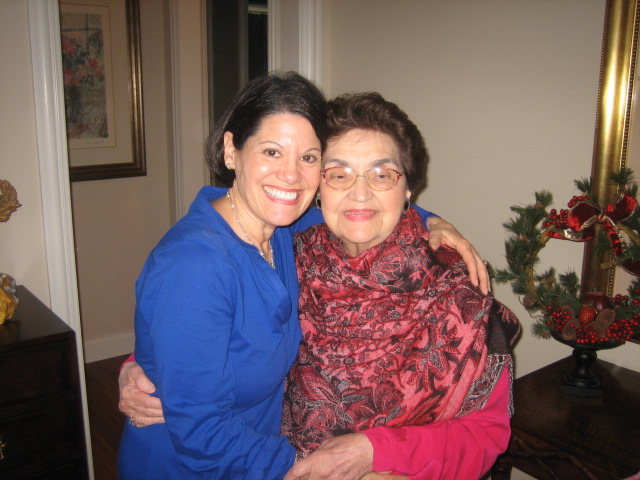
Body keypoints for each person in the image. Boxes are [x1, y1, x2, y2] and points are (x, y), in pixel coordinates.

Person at [117, 72, 491, 480]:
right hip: (194, 467)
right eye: (272, 152)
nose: (291, 175)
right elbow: (202, 428)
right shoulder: (202, 264)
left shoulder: (286, 233)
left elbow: (361, 208)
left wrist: (433, 220)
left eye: (308, 158)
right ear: (230, 150)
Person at [280, 92, 520, 480]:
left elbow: (484, 435)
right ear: (317, 187)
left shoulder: (458, 290)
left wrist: (373, 452)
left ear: (408, 189)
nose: (360, 193)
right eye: (338, 174)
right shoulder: (289, 261)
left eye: (382, 174)